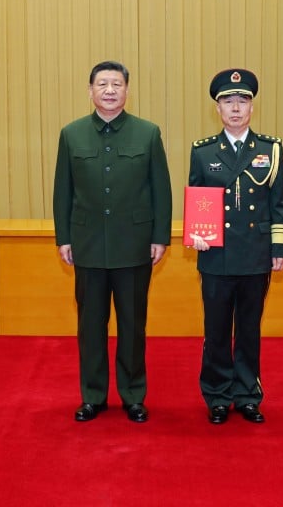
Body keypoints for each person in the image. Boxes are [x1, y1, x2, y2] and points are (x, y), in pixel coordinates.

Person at [52, 61, 172, 424]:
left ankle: (133, 395)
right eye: (102, 84)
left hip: (134, 245)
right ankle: (93, 396)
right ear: (90, 90)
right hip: (87, 244)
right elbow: (62, 191)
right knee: (90, 326)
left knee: (133, 325)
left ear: (126, 90)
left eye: (116, 84)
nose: (109, 90)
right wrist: (64, 238)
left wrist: (160, 237)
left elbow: (161, 190)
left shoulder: (147, 133)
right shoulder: (71, 134)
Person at [188, 69, 283, 425]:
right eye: (228, 102)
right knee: (216, 329)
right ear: (217, 108)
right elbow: (197, 199)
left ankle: (247, 395)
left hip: (255, 254)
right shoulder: (203, 151)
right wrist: (195, 233)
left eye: (242, 101)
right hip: (215, 254)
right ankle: (217, 395)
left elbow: (279, 202)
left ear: (251, 107)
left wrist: (279, 248)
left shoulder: (270, 149)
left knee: (248, 329)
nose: (235, 108)